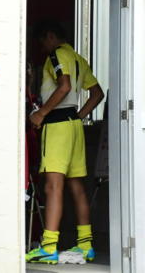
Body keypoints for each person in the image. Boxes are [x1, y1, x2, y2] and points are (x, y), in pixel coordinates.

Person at [25, 20, 104, 264]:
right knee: (76, 185)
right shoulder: (78, 58)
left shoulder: (57, 55)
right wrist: (79, 116)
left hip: (57, 126)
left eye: (42, 42)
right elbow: (97, 93)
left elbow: (64, 85)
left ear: (50, 36)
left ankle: (49, 246)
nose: (43, 47)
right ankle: (86, 245)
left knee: (53, 186)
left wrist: (41, 113)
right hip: (73, 126)